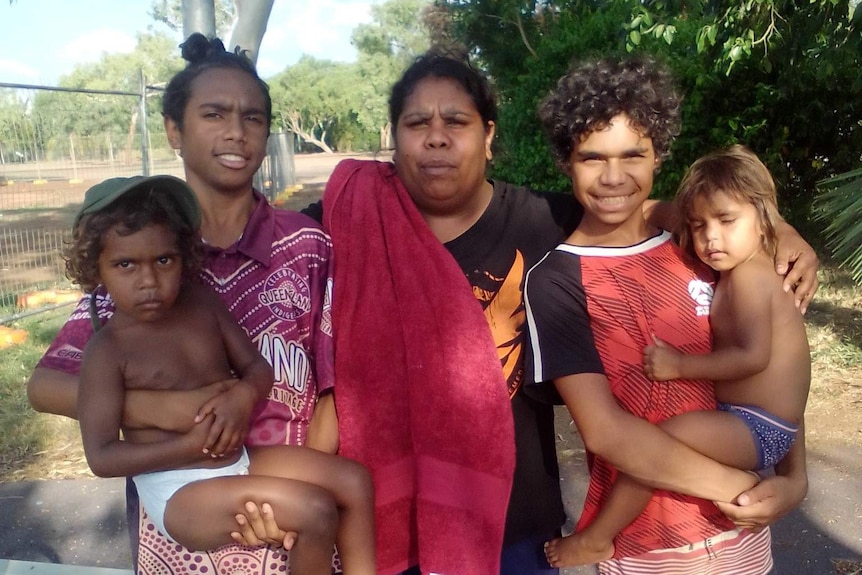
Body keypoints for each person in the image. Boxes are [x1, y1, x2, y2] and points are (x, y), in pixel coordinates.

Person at [232, 51, 818, 575]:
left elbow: (756, 360)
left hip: (522, 521)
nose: (437, 138)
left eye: (456, 122)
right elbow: (239, 241)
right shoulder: (352, 219)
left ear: (488, 135)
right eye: (418, 123)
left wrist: (776, 232)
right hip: (395, 515)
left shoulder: (555, 222)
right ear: (395, 135)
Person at [27, 34, 339, 575]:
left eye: (254, 117)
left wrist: (299, 482)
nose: (236, 131)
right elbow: (46, 384)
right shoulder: (141, 253)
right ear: (175, 129)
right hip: (184, 527)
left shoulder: (307, 244)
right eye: (213, 113)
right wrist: (162, 410)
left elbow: (337, 381)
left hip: (295, 515)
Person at [525, 55, 809, 574]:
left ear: (659, 156)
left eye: (633, 154)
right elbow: (607, 434)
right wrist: (743, 484)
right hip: (647, 549)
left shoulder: (701, 246)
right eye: (592, 158)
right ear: (566, 161)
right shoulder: (556, 281)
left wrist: (796, 476)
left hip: (739, 537)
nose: (614, 177)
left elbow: (769, 364)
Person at [69, 175, 375, 574]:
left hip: (239, 460)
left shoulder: (201, 304)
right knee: (314, 510)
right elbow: (102, 457)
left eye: (164, 260)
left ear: (184, 256)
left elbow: (256, 368)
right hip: (179, 490)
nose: (148, 281)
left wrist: (242, 396)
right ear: (96, 270)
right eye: (125, 264)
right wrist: (190, 447)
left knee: (354, 481)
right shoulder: (107, 351)